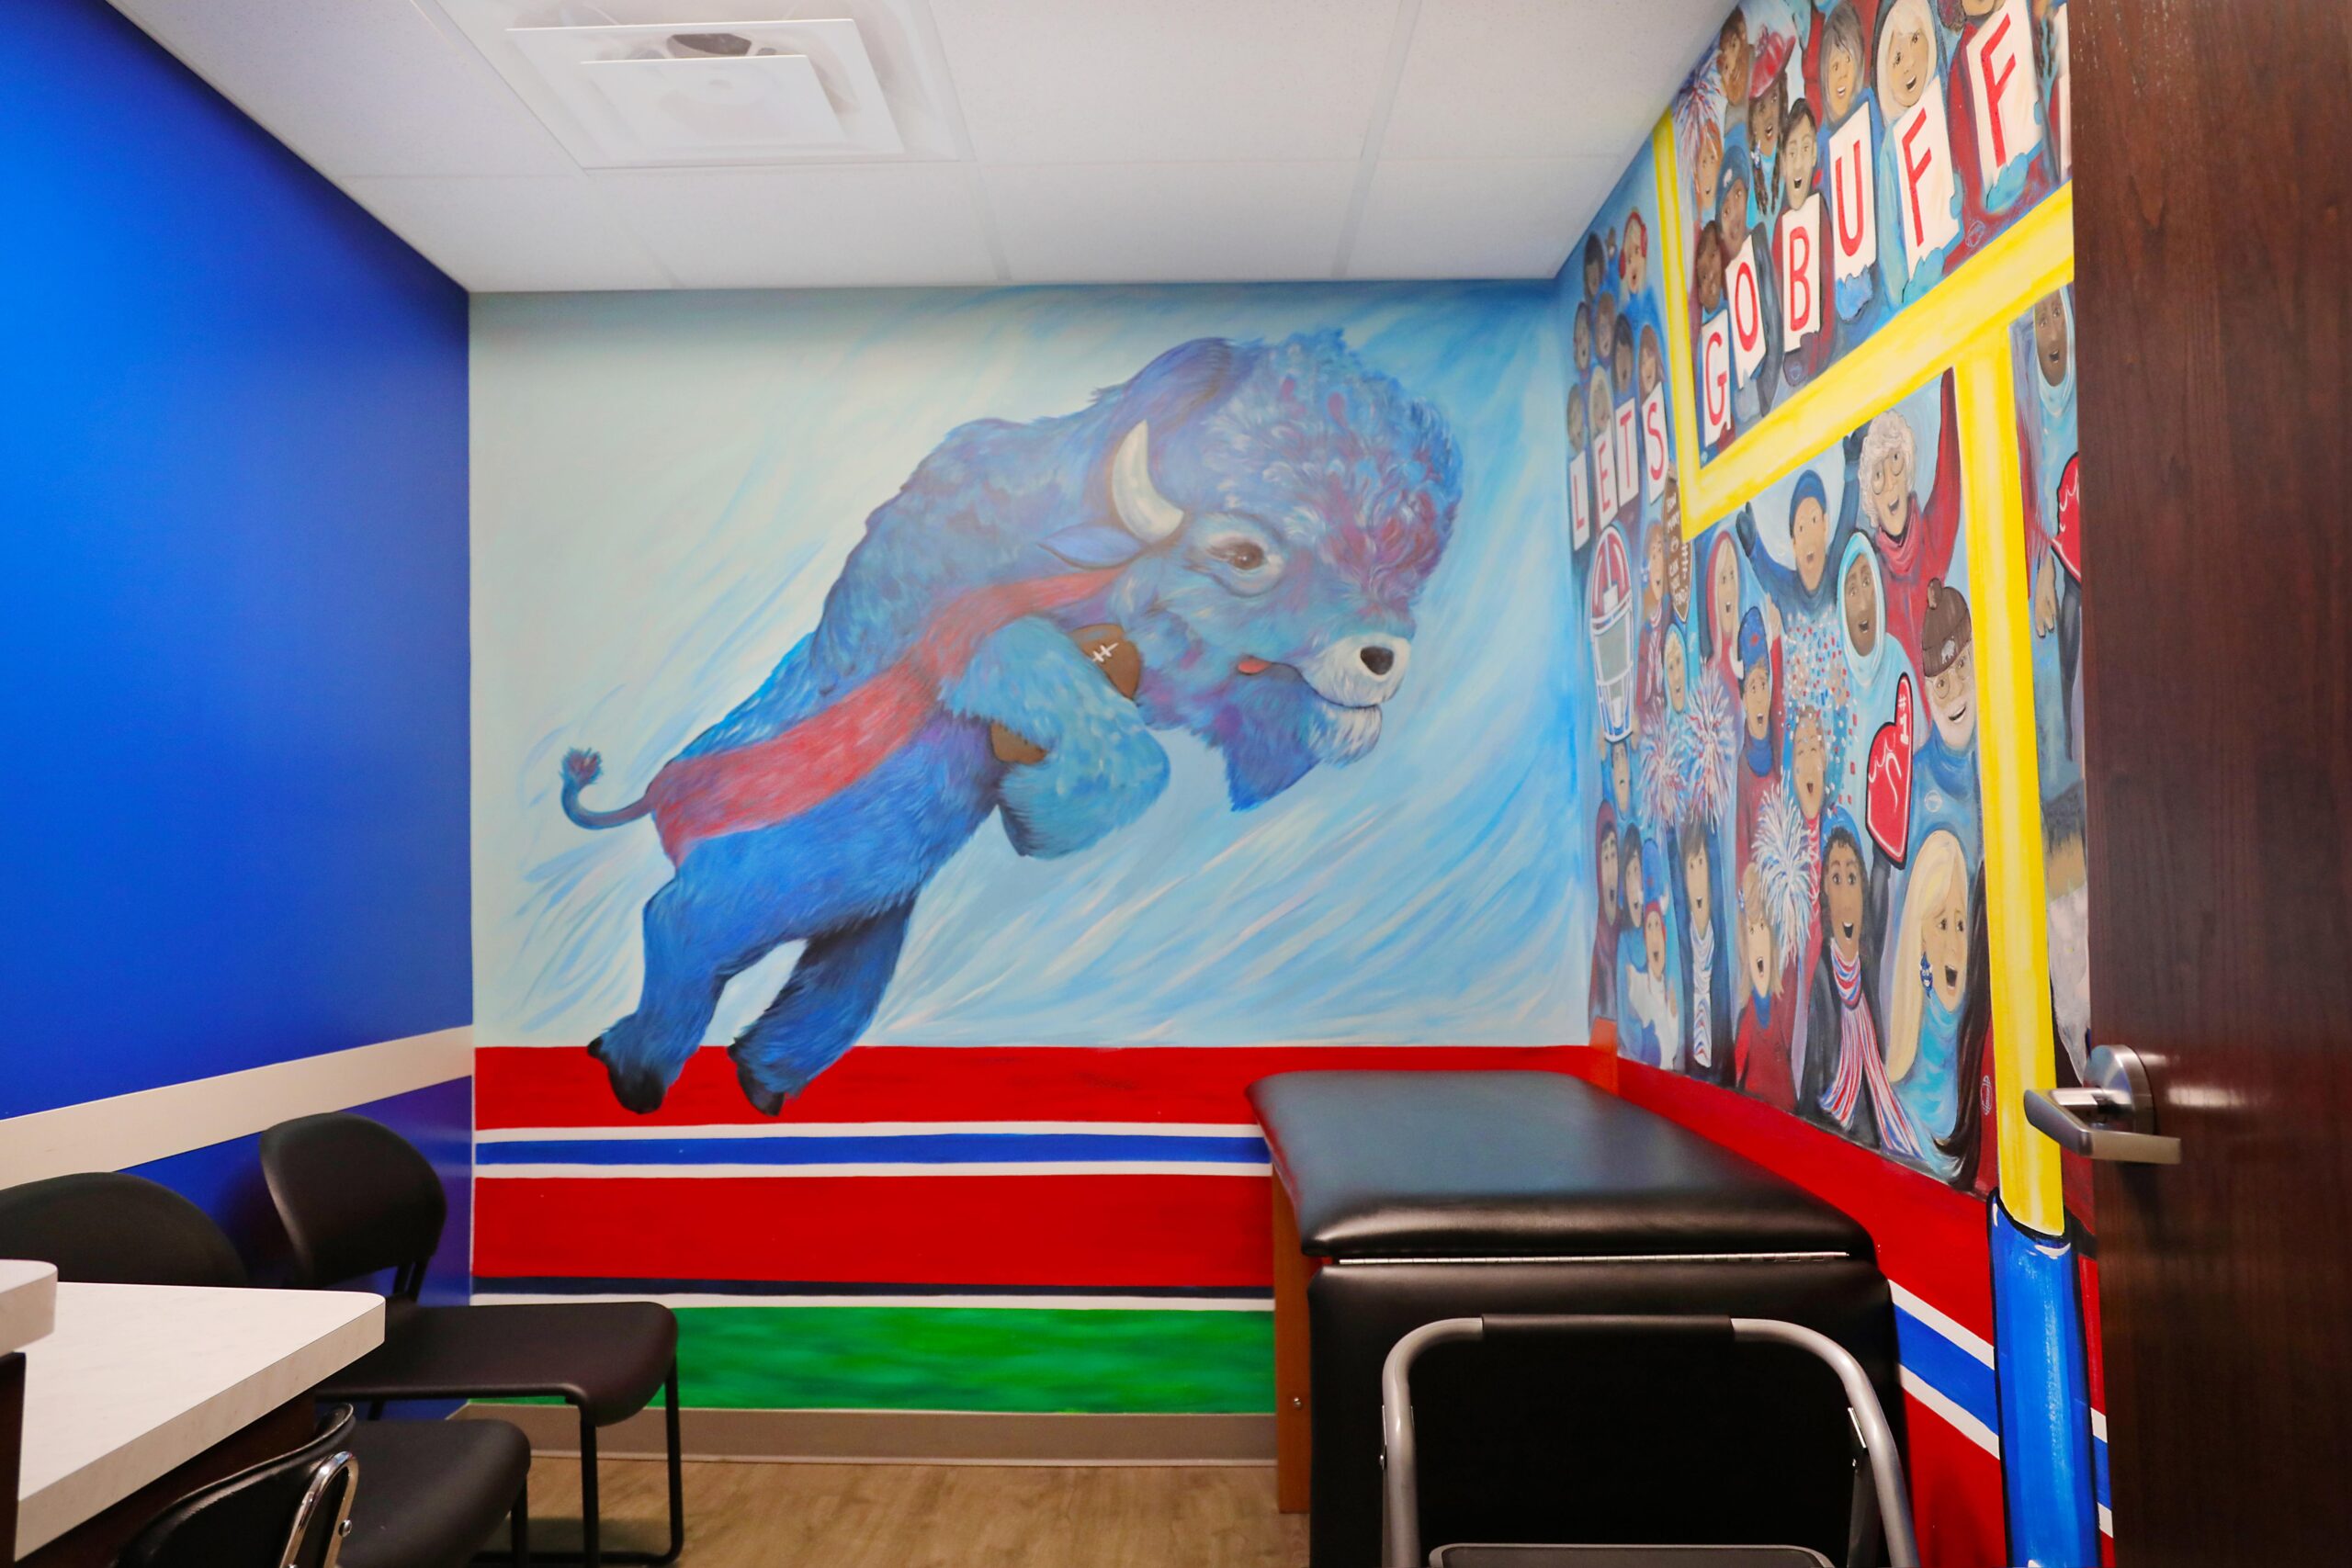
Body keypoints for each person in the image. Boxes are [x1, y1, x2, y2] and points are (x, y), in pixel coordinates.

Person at [1857, 378, 1962, 665]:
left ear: (1908, 470)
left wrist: (1949, 377)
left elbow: (1950, 463)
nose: (1890, 482)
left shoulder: (1933, 537)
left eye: (1895, 461)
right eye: (1878, 476)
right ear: (1871, 500)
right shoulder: (1873, 579)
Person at [1886, 826, 1972, 1178]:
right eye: (1941, 924)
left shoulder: (1977, 1050)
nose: (1954, 945)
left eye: (1961, 925)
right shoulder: (1906, 1084)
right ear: (1919, 937)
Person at [1874, 0, 1959, 308]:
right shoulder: (1890, 148)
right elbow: (1888, 230)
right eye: (1897, 58)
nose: (1908, 63)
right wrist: (1903, 292)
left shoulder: (1946, 94)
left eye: (1915, 40)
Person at [1914, 580, 1980, 859]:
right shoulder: (1918, 781)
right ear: (1928, 693)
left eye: (1962, 665)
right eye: (1941, 684)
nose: (1955, 691)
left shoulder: (2002, 741)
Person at [1778, 96, 1835, 388]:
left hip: (1821, 362)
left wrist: (1820, 356)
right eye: (1792, 152)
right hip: (1793, 371)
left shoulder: (1820, 212)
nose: (1799, 162)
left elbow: (1829, 291)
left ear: (1814, 156)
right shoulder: (1780, 230)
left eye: (1805, 149)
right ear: (1783, 164)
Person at [1736, 860, 1800, 1110]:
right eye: (1751, 929)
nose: (1758, 939)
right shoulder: (1746, 1019)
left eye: (1762, 926)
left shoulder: (1784, 1009)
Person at [1677, 819, 1736, 1086]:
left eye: (1701, 863)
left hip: (1720, 1062)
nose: (1697, 876)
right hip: (1694, 1065)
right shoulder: (1685, 933)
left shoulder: (1719, 930)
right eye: (1690, 866)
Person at [1590, 803, 1623, 1025]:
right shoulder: (1598, 942)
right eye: (1606, 858)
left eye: (1614, 854)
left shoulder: (1626, 926)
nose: (1611, 868)